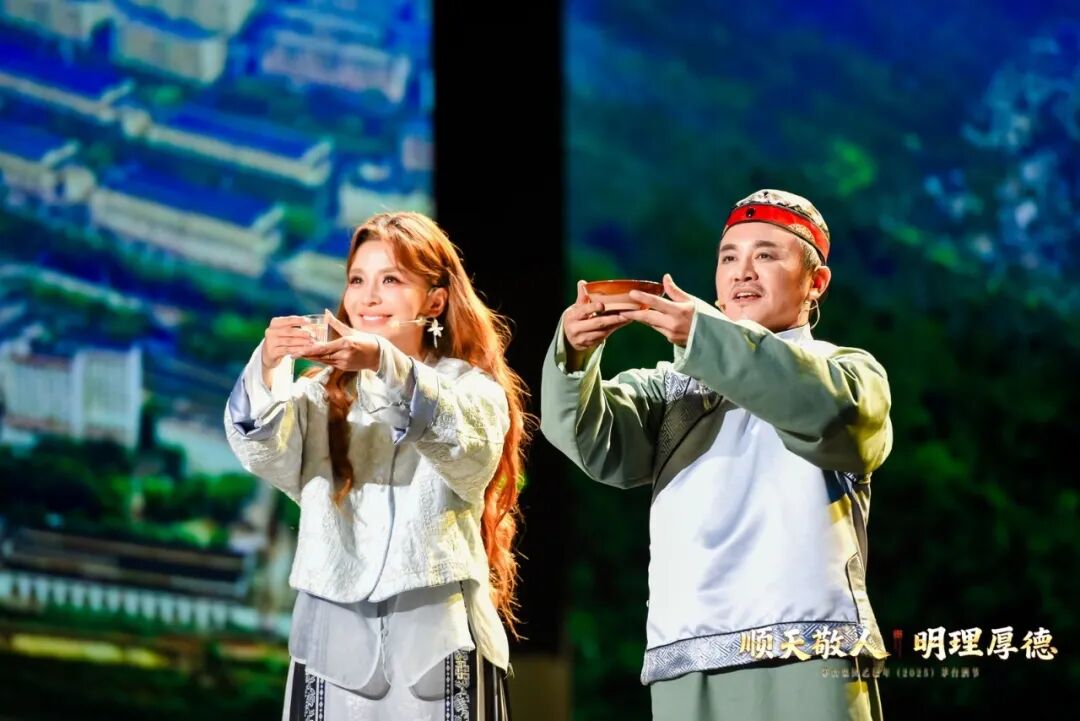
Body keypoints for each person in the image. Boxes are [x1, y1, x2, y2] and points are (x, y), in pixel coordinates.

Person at [540, 189, 892, 720]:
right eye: (729, 258)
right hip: (687, 655)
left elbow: (830, 416)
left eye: (766, 255)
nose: (742, 272)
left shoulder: (848, 372)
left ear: (816, 282)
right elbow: (594, 441)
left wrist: (705, 337)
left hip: (807, 649)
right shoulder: (671, 388)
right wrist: (574, 352)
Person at [225, 211, 530, 720]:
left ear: (435, 300)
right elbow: (263, 450)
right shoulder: (320, 395)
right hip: (332, 640)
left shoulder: (471, 388)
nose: (368, 298)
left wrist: (385, 364)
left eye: (391, 280)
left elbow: (468, 452)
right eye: (357, 281)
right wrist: (269, 365)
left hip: (437, 642)